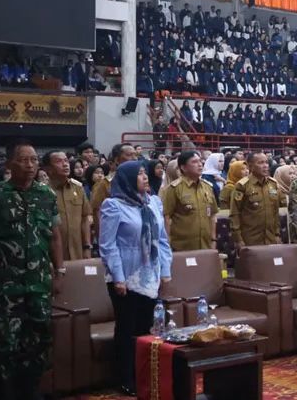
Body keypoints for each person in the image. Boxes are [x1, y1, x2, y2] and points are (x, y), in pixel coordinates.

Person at [0, 139, 64, 400]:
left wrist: (60, 271)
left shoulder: (46, 195)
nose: (31, 165)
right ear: (10, 164)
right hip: (5, 285)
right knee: (5, 343)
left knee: (39, 339)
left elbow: (55, 236)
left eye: (34, 159)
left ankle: (31, 390)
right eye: (24, 160)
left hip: (38, 282)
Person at [99, 161, 172, 396]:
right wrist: (118, 277)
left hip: (151, 274)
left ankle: (145, 375)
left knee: (147, 327)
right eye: (139, 174)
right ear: (128, 179)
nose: (145, 177)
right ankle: (125, 377)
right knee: (127, 327)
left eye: (144, 173)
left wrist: (165, 271)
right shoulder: (113, 205)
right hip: (126, 275)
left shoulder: (154, 202)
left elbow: (162, 240)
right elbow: (108, 245)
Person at [162, 151, 218, 252]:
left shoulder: (207, 187)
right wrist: (167, 244)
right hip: (182, 247)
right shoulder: (174, 188)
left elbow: (212, 215)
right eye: (194, 162)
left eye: (200, 161)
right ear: (183, 168)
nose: (200, 164)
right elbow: (167, 218)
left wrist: (213, 240)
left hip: (206, 245)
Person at [44, 150, 93, 260]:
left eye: (66, 160)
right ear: (48, 169)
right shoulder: (43, 192)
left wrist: (87, 247)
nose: (65, 164)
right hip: (53, 254)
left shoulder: (78, 188)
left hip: (78, 251)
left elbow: (85, 219)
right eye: (59, 161)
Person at [230, 153, 281, 249]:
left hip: (270, 238)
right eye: (260, 163)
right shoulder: (242, 186)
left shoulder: (272, 184)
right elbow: (235, 213)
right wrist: (238, 239)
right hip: (250, 239)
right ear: (250, 166)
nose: (265, 166)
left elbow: (275, 211)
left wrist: (277, 234)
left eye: (266, 162)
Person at [90, 143, 137, 246]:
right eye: (129, 155)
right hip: (115, 238)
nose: (134, 159)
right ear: (117, 160)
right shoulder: (104, 184)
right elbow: (97, 212)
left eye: (135, 155)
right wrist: (102, 240)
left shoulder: (139, 182)